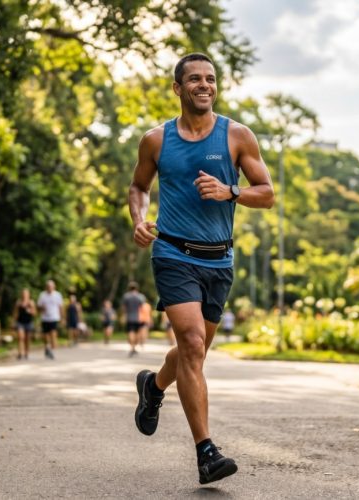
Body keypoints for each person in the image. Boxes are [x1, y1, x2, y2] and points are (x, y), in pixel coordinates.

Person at [128, 52, 274, 484]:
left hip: (219, 259)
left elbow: (265, 193)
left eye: (210, 79)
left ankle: (153, 387)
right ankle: (206, 452)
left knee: (196, 351)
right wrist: (139, 220)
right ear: (178, 88)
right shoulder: (156, 140)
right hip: (173, 253)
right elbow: (139, 187)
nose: (204, 85)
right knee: (191, 344)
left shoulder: (237, 136)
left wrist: (230, 191)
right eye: (194, 79)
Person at [37, 279, 63, 360]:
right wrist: (42, 308)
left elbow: (60, 307)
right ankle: (47, 347)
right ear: (46, 287)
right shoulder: (42, 295)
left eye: (51, 286)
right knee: (45, 336)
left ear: (54, 287)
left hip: (54, 318)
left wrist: (62, 318)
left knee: (53, 334)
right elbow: (38, 306)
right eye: (48, 286)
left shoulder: (58, 295)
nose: (50, 288)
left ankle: (51, 350)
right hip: (45, 318)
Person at [122, 282, 146, 357]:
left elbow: (124, 308)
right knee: (137, 332)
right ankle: (134, 347)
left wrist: (124, 316)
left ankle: (132, 347)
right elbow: (143, 308)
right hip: (138, 318)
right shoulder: (140, 296)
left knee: (130, 331)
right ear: (137, 288)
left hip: (129, 317)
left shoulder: (126, 296)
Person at [12, 288, 36, 360]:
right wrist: (13, 322)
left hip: (28, 322)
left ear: (28, 295)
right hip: (20, 322)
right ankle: (20, 353)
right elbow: (15, 313)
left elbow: (34, 313)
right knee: (20, 337)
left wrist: (30, 311)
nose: (24, 295)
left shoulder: (31, 302)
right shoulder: (18, 302)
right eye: (23, 294)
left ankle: (26, 352)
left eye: (26, 294)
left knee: (27, 339)